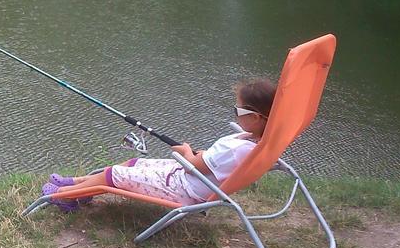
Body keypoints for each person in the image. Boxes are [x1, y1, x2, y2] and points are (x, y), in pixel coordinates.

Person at [43, 79, 276, 210]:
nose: (235, 114)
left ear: (255, 117)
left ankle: (65, 196)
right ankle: (79, 187)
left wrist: (185, 152)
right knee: (134, 163)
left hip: (184, 189)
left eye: (237, 110)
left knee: (115, 173)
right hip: (189, 180)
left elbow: (192, 165)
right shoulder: (252, 142)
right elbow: (210, 163)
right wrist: (195, 156)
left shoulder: (236, 150)